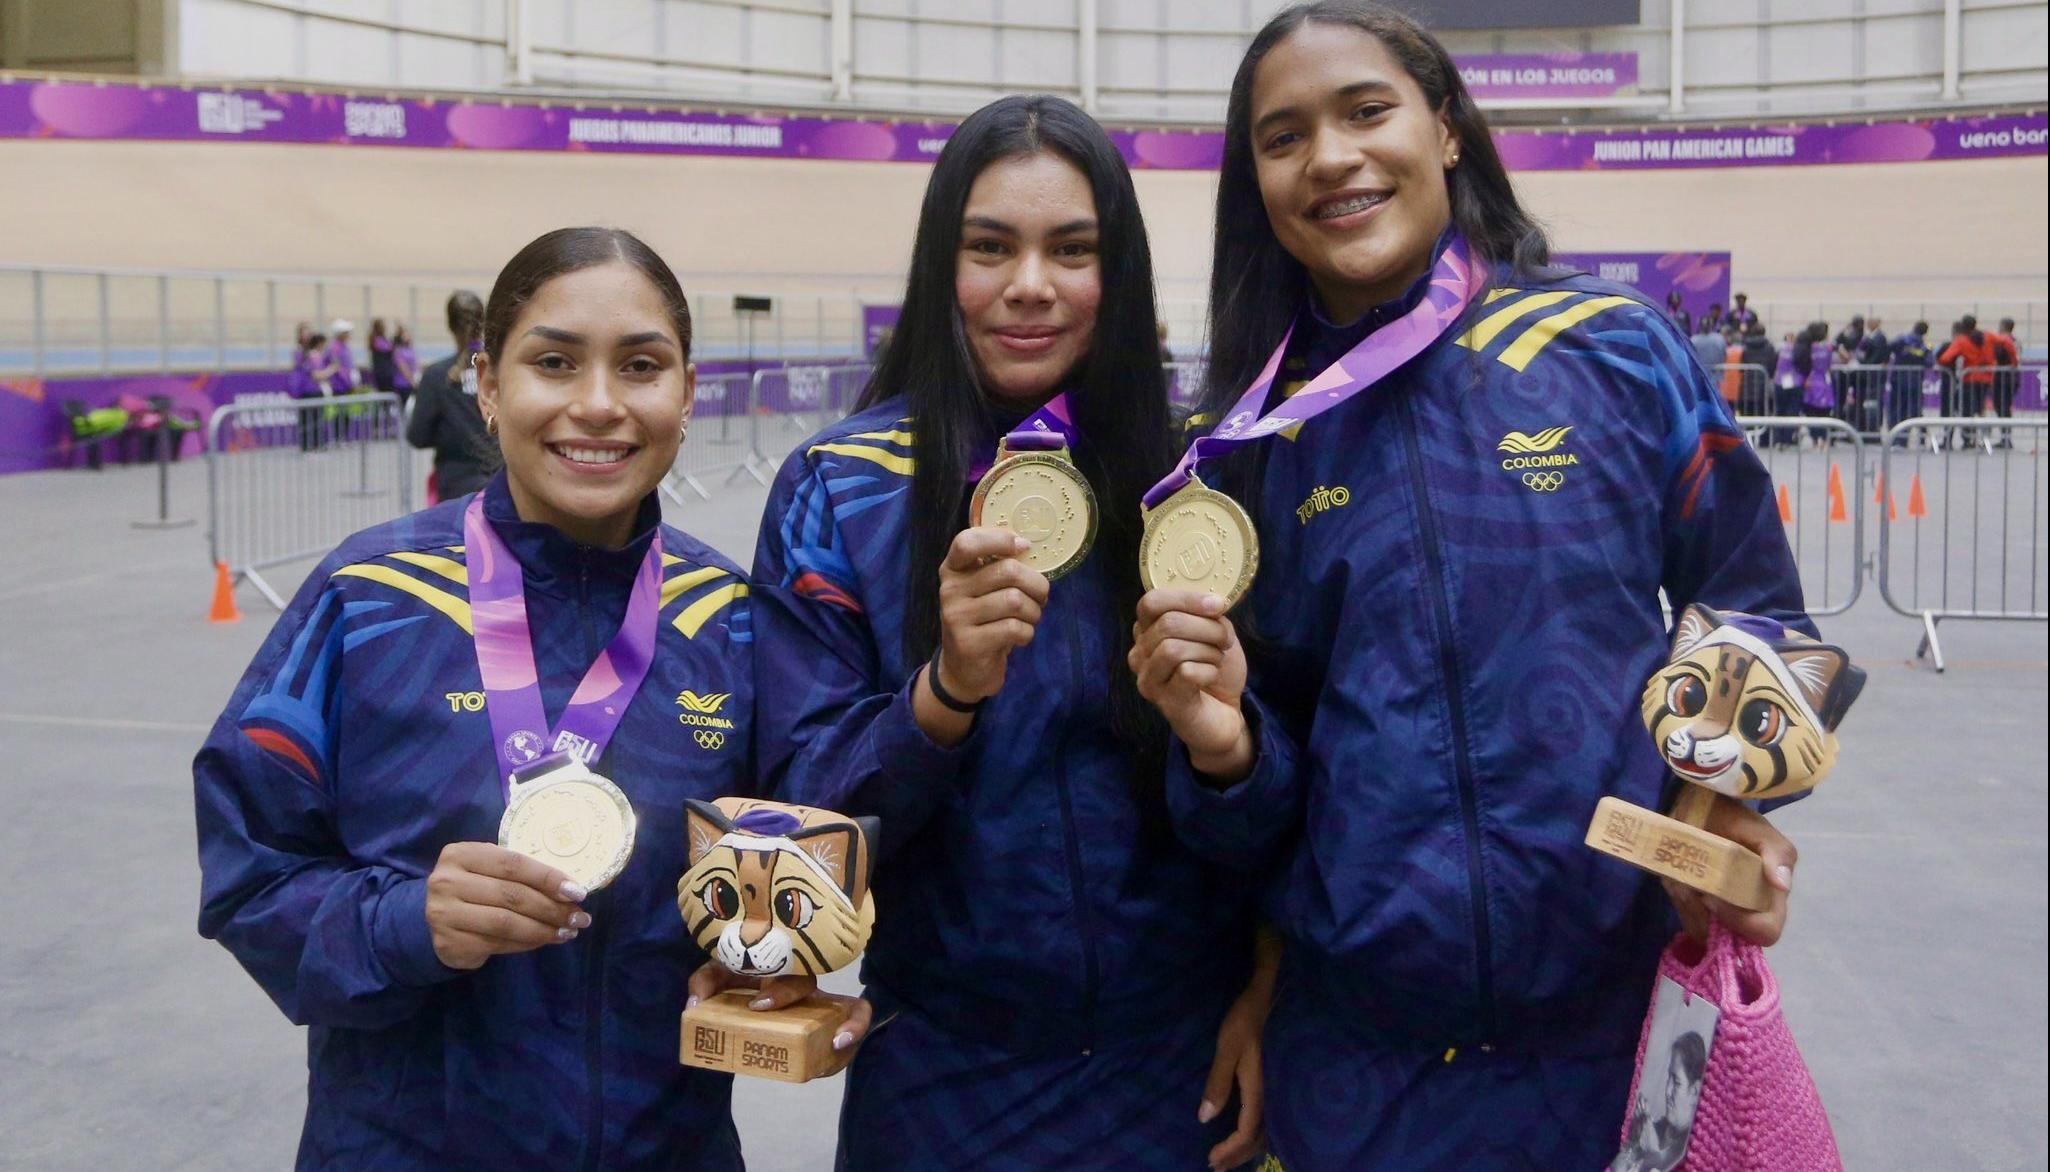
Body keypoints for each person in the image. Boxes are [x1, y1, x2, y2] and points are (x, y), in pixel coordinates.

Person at [1127, 6, 1813, 1168]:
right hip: (1358, 1057)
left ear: (1445, 128)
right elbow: (1265, 781)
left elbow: (1753, 603)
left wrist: (1730, 798)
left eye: (1366, 110)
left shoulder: (1614, 348)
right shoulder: (1246, 439)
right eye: (1283, 137)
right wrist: (1223, 753)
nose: (1330, 157)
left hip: (1615, 1035)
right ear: (1258, 184)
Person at [195, 227, 867, 1170]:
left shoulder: (732, 620)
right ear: (488, 383)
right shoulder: (367, 599)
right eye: (554, 362)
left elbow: (793, 850)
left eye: (640, 366)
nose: (598, 404)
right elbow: (249, 876)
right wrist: (406, 922)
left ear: (686, 392)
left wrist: (783, 966)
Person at [751, 95, 1271, 1172]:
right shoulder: (839, 487)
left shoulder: (1196, 478)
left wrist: (1230, 755)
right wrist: (941, 694)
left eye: (1072, 250)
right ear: (942, 263)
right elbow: (800, 810)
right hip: (943, 1073)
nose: (1030, 284)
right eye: (990, 246)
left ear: (1118, 274)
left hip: (1180, 1067)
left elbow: (1304, 802)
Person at [406, 292, 495, 500]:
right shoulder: (500, 370)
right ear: (482, 321)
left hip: (456, 488)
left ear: (450, 325)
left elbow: (418, 435)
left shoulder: (436, 376)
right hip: (502, 484)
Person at [1613, 1030, 1708, 1172]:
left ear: (1694, 1090)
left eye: (1676, 1082)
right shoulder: (1655, 1129)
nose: (1667, 1091)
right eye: (1669, 1077)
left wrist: (1654, 1156)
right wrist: (1633, 1140)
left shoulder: (1699, 1149)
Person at [1938, 315, 1994, 447]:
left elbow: (1945, 358)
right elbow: (2004, 343)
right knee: (1979, 410)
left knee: (1963, 410)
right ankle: (1980, 438)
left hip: (1967, 380)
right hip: (1984, 379)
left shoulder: (1961, 341)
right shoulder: (1986, 337)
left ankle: (1964, 439)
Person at [292, 331, 336, 452]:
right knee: (314, 419)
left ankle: (307, 445)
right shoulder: (314, 356)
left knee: (308, 419)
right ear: (319, 343)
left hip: (306, 391)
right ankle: (315, 445)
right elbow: (316, 375)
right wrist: (332, 370)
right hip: (312, 391)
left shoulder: (307, 355)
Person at [1888, 320, 1934, 435]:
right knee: (1915, 409)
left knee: (1896, 408)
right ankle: (1921, 436)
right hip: (1915, 381)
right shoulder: (1926, 346)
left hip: (1898, 379)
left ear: (1914, 327)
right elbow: (1930, 362)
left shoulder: (1901, 340)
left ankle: (1896, 436)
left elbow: (1887, 348)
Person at [1986, 316, 2021, 446]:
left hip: (2003, 378)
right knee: (2003, 407)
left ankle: (2006, 438)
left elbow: (1998, 356)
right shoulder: (2016, 341)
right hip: (2011, 377)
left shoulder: (2004, 341)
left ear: (2003, 326)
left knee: (2002, 406)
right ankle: (2005, 437)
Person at [1739, 320, 1777, 419]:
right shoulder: (1770, 347)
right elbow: (1772, 366)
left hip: (1747, 385)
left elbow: (1742, 365)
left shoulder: (1746, 347)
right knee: (1762, 416)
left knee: (1748, 416)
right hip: (1763, 386)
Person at [326, 319, 360, 396]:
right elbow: (337, 367)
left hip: (347, 385)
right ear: (340, 334)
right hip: (339, 386)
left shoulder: (345, 346)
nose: (348, 334)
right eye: (346, 332)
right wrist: (349, 381)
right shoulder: (334, 347)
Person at [392, 322, 420, 406]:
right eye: (405, 335)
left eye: (408, 335)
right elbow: (404, 369)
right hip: (403, 385)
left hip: (413, 381)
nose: (408, 337)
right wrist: (413, 383)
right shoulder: (399, 351)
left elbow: (415, 365)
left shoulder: (410, 349)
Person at [368, 317, 397, 395]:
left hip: (387, 372)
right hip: (382, 373)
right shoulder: (375, 339)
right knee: (384, 393)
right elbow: (389, 349)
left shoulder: (384, 339)